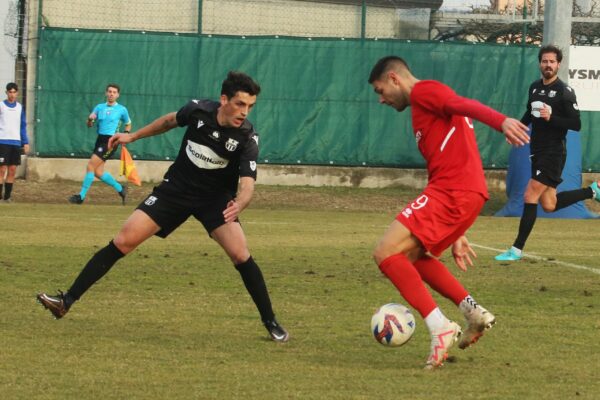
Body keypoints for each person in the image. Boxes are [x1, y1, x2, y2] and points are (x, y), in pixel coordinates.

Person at [37, 71, 289, 342]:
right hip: (176, 190)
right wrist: (132, 137)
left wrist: (240, 202)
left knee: (241, 255)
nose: (245, 111)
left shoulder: (247, 137)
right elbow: (169, 121)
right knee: (123, 241)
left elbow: (248, 184)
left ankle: (270, 321)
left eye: (250, 106)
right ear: (224, 99)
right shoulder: (198, 110)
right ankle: (66, 301)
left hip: (214, 199)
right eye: (240, 104)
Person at [368, 56, 529, 369]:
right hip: (457, 193)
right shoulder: (419, 113)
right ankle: (472, 311)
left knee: (385, 252)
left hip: (454, 192)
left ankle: (439, 325)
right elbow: (442, 160)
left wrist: (502, 121)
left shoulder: (425, 92)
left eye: (380, 90)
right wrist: (458, 231)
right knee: (412, 256)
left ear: (394, 78)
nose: (381, 99)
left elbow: (464, 104)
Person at [495, 45, 599, 262]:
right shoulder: (534, 88)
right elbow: (529, 113)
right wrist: (517, 129)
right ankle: (592, 191)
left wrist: (552, 118)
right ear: (540, 64)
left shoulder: (565, 92)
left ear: (558, 64)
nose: (548, 65)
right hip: (536, 151)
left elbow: (576, 124)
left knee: (529, 195)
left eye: (552, 61)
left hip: (553, 153)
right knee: (549, 205)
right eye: (545, 61)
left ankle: (516, 249)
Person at [69, 83, 131, 205]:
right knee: (98, 172)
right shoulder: (99, 107)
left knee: (90, 166)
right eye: (109, 91)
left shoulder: (122, 109)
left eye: (114, 92)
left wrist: (125, 134)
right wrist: (90, 119)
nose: (111, 94)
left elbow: (128, 123)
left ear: (118, 95)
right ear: (106, 93)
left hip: (111, 141)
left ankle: (81, 197)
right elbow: (90, 124)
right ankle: (120, 189)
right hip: (100, 140)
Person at [0, 82, 29, 202]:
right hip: (2, 141)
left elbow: (22, 126)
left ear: (17, 93)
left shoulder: (20, 107)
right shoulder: (1, 106)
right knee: (2, 169)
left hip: (16, 143)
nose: (12, 94)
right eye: (10, 92)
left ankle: (7, 197)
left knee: (12, 170)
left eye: (14, 92)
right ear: (6, 92)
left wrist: (25, 142)